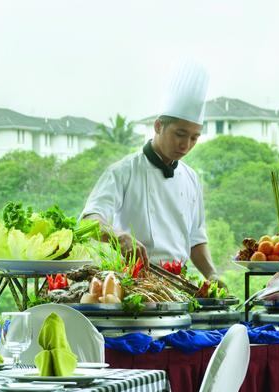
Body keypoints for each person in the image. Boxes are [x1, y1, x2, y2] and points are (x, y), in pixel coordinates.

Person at [81, 62, 226, 287]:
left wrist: (212, 274)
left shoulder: (191, 178)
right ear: (158, 126)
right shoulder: (123, 171)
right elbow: (89, 219)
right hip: (134, 283)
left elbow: (196, 240)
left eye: (194, 138)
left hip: (180, 285)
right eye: (180, 134)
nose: (186, 145)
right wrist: (118, 236)